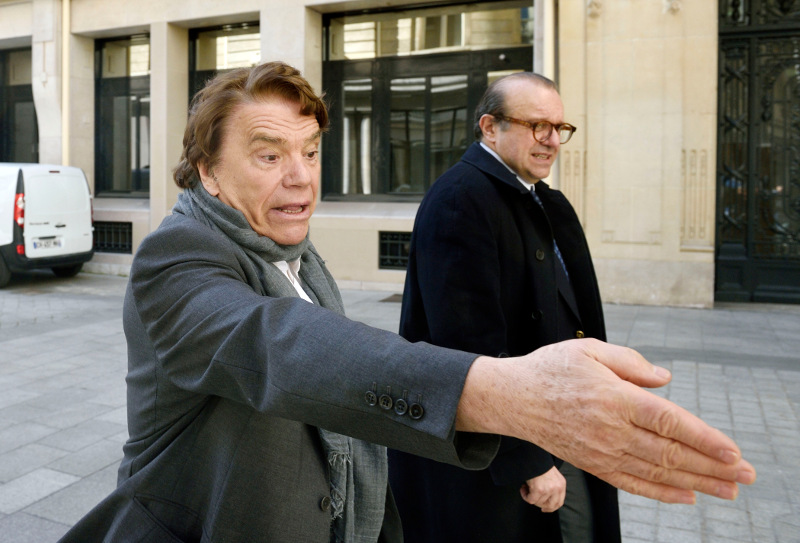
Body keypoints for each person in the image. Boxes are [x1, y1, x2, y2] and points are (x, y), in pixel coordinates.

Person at [58, 62, 755, 543]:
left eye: (311, 151)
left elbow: (346, 415)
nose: (301, 178)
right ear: (208, 170)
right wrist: (511, 395)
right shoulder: (175, 256)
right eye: (269, 155)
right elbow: (283, 347)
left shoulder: (294, 252)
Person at [388, 71, 620, 543]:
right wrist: (528, 461)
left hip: (560, 424)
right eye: (537, 126)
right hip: (496, 457)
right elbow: (467, 349)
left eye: (559, 127)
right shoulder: (461, 199)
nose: (551, 140)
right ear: (490, 127)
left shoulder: (543, 200)